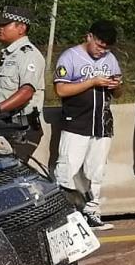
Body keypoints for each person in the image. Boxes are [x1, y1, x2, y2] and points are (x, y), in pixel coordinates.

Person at [53, 20, 123, 231]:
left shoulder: (110, 59)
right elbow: (61, 90)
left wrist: (116, 85)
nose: (102, 51)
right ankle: (64, 213)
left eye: (106, 48)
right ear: (89, 36)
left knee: (96, 171)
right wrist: (92, 82)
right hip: (76, 122)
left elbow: (119, 93)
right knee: (68, 169)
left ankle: (92, 211)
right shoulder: (69, 57)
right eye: (99, 45)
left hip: (102, 123)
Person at [0, 5, 46, 161]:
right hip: (5, 125)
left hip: (22, 128)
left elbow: (27, 91)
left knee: (9, 172)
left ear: (21, 28)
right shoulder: (8, 55)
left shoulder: (28, 55)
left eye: (5, 25)